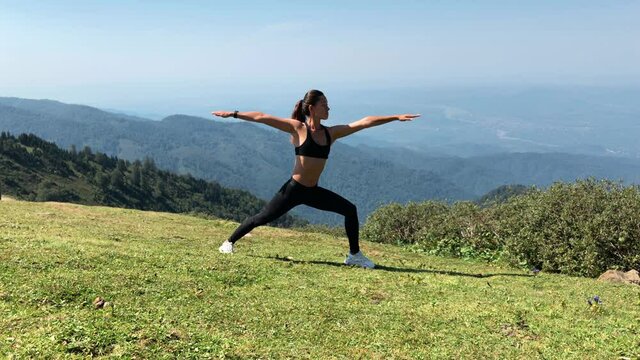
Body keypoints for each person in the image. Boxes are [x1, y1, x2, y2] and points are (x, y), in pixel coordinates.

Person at [211, 89, 420, 268]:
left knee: (350, 210)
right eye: (324, 105)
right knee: (261, 218)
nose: (328, 109)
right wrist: (234, 114)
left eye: (328, 105)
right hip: (293, 190)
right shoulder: (298, 128)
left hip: (312, 191)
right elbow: (262, 117)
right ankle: (228, 242)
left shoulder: (331, 134)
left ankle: (354, 256)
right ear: (311, 108)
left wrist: (395, 117)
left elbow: (364, 123)